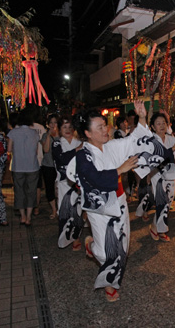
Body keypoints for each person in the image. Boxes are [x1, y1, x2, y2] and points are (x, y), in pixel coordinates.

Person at [73, 100, 150, 302]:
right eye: (99, 127)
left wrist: (142, 118)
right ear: (88, 134)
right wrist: (119, 170)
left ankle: (109, 279)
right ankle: (104, 270)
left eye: (105, 124)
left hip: (119, 201)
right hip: (98, 209)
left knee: (122, 247)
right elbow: (94, 178)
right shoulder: (83, 155)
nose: (106, 129)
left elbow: (134, 140)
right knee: (107, 252)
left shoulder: (112, 146)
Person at [149, 112, 175, 242]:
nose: (162, 126)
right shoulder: (151, 141)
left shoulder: (171, 138)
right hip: (157, 174)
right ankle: (161, 230)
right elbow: (157, 159)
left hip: (170, 174)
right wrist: (173, 149)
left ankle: (155, 225)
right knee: (161, 201)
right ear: (152, 126)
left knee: (167, 202)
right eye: (158, 123)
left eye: (164, 123)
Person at [52, 115, 82, 250]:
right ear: (59, 129)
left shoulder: (78, 141)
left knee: (77, 210)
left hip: (79, 182)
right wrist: (76, 151)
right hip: (64, 182)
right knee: (65, 210)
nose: (68, 129)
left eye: (70, 126)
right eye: (64, 127)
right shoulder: (57, 143)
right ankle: (65, 237)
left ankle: (76, 237)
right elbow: (62, 159)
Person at [7, 110, 40, 226]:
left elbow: (9, 149)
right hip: (32, 166)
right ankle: (29, 217)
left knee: (19, 191)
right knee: (31, 191)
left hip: (18, 166)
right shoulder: (35, 133)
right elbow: (36, 151)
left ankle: (22, 216)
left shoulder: (13, 133)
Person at [40, 113, 60, 220]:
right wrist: (48, 135)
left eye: (55, 122)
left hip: (59, 166)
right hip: (48, 165)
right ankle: (54, 209)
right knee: (49, 189)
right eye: (51, 123)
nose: (53, 125)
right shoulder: (45, 136)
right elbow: (46, 150)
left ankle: (60, 208)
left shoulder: (62, 136)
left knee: (60, 188)